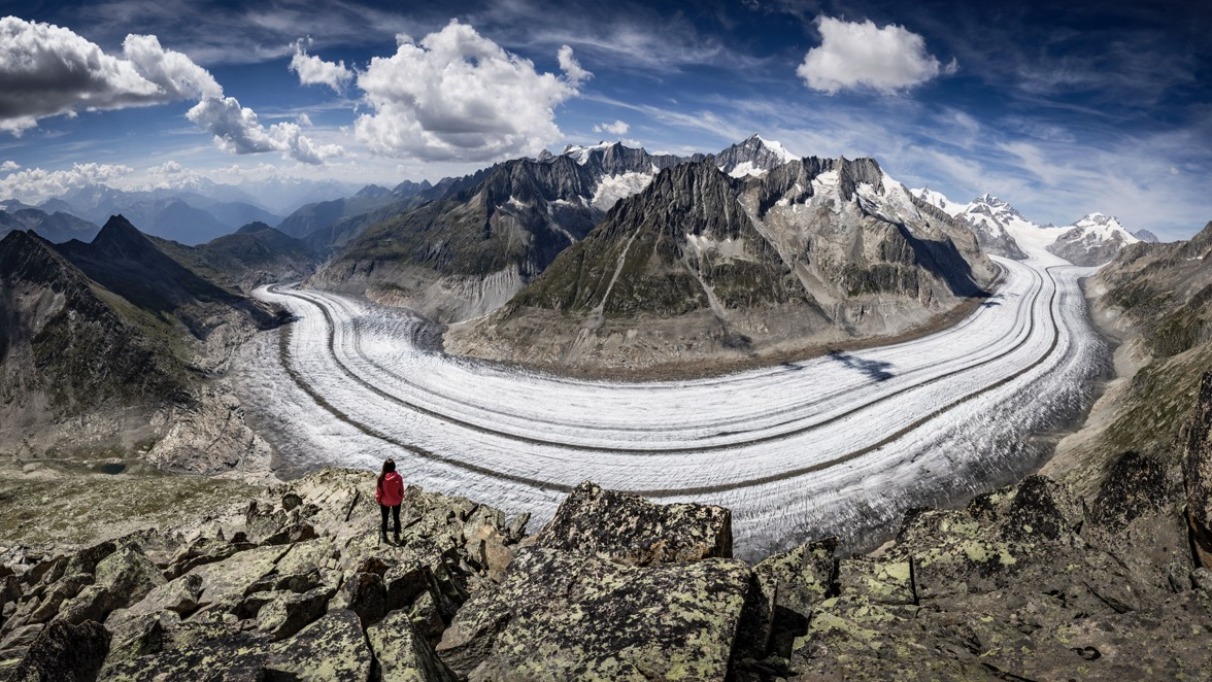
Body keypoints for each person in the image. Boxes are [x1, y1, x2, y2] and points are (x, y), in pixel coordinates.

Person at [375, 459, 405, 544]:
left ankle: (384, 535)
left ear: (384, 467)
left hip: (385, 502)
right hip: (396, 501)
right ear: (394, 467)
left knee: (385, 519)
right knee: (396, 518)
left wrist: (378, 500)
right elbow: (401, 490)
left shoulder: (381, 478)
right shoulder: (399, 478)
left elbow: (379, 492)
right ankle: (396, 535)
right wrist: (400, 498)